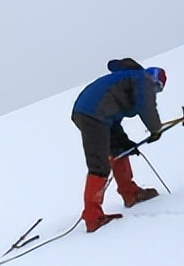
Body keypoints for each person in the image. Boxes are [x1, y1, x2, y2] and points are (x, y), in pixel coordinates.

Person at [71, 58, 167, 232]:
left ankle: (130, 193)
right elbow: (146, 105)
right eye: (157, 87)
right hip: (93, 115)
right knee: (99, 165)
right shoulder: (142, 78)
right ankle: (93, 217)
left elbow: (114, 120)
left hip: (94, 113)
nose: (155, 91)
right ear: (154, 78)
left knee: (120, 149)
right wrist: (155, 129)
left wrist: (123, 141)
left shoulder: (127, 79)